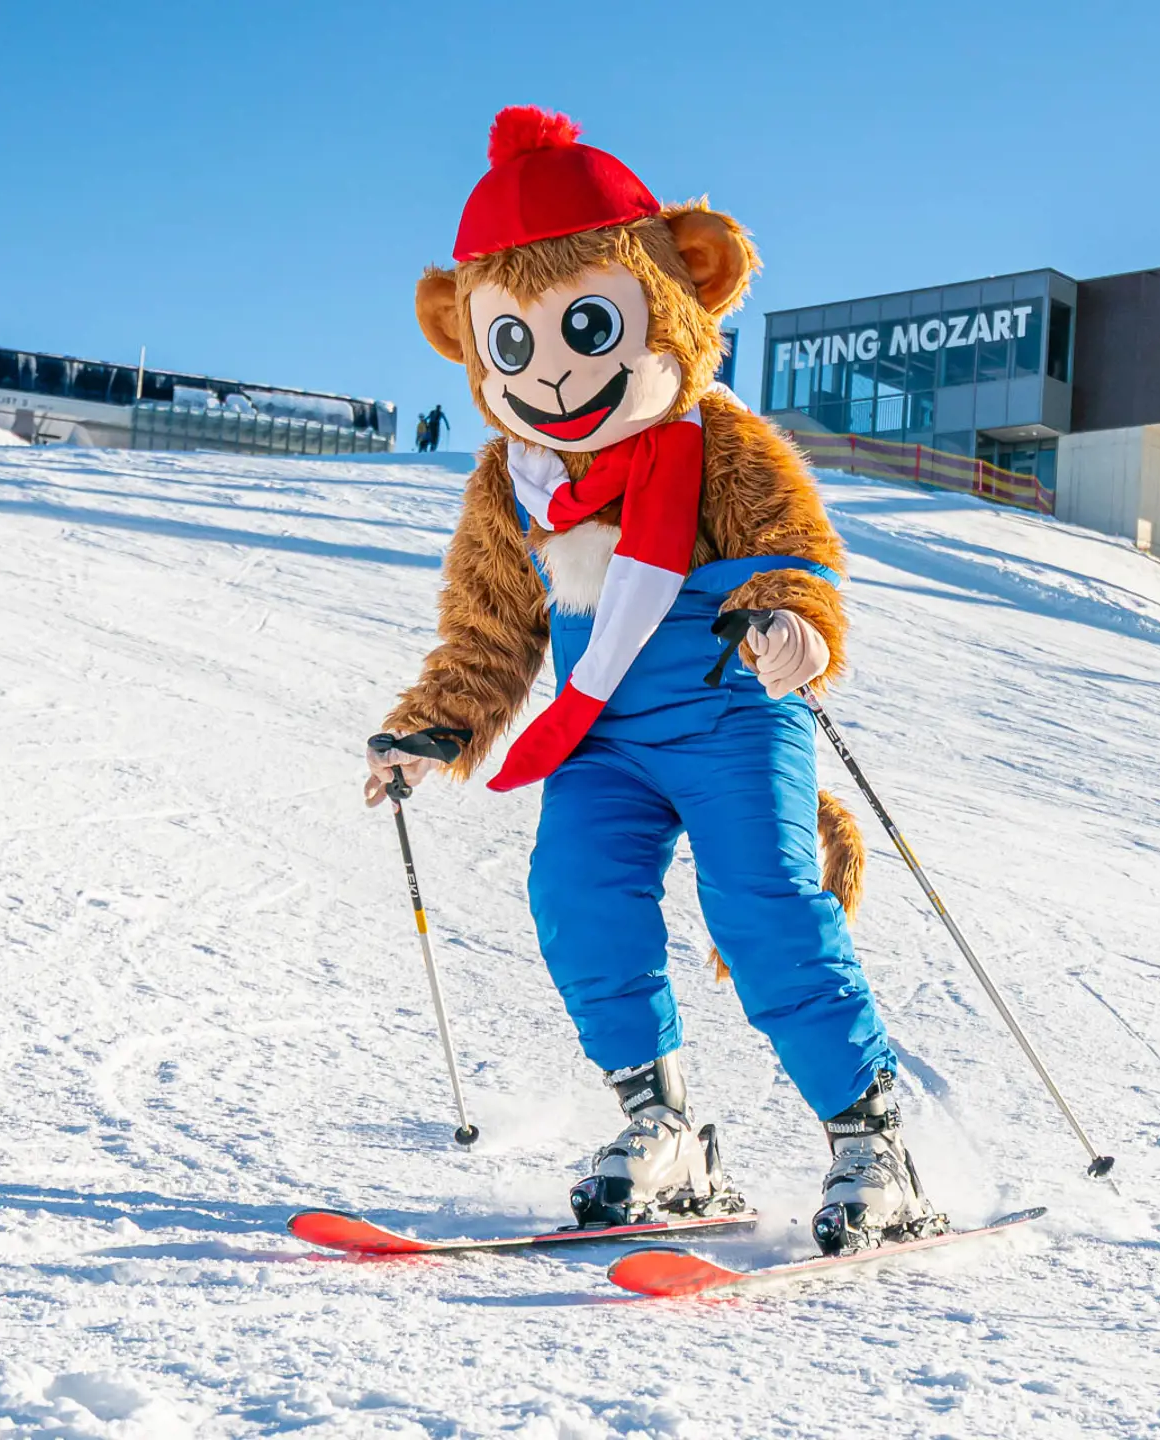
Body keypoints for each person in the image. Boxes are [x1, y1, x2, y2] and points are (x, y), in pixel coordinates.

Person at [364, 106, 940, 1256]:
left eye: (588, 324)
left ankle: (872, 1140)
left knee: (762, 904)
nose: (554, 370)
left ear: (682, 286)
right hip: (605, 735)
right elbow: (490, 633)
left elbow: (795, 552)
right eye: (513, 342)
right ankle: (663, 1128)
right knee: (576, 898)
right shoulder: (514, 486)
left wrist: (792, 619)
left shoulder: (720, 445)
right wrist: (430, 730)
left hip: (731, 709)